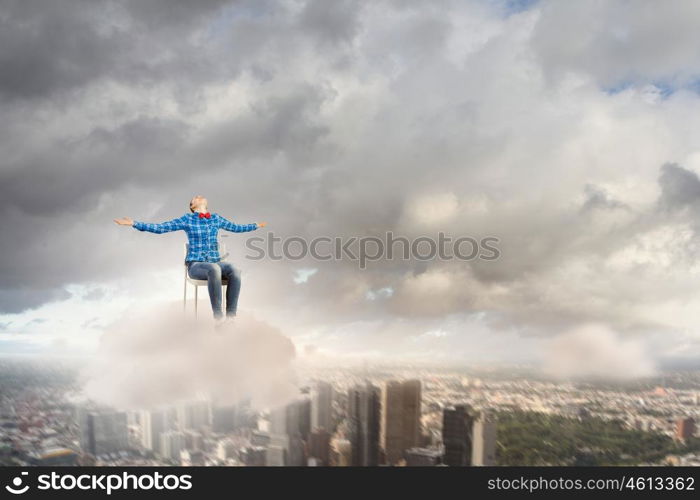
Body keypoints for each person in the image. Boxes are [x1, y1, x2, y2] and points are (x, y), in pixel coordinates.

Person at [114, 195, 266, 324]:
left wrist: (255, 226)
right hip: (197, 265)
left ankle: (231, 319)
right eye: (195, 197)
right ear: (192, 206)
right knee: (214, 269)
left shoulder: (216, 218)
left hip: (215, 261)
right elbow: (161, 228)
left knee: (234, 269)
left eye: (200, 196)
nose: (199, 196)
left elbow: (236, 227)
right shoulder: (187, 219)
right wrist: (134, 223)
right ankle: (218, 319)